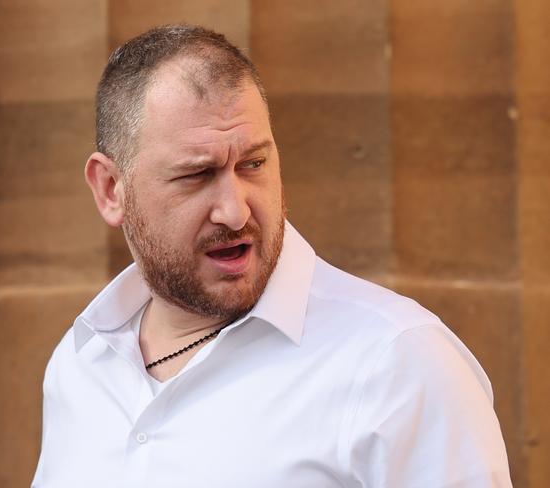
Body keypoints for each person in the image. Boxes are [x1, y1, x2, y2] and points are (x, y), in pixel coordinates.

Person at [32, 24, 512, 487]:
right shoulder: (80, 366)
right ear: (112, 189)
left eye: (253, 164)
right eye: (197, 175)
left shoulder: (399, 362)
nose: (236, 211)